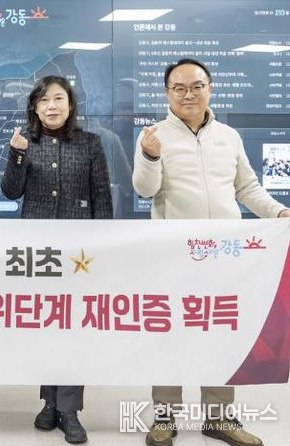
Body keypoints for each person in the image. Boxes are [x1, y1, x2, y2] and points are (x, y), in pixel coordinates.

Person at [133, 58, 290, 446]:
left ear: (210, 88)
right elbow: (145, 190)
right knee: (170, 334)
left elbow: (247, 187)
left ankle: (218, 418)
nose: (188, 94)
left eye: (196, 86)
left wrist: (279, 212)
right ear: (167, 93)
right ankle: (165, 416)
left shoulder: (228, 136)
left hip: (224, 254)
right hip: (174, 254)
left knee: (221, 333)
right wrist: (150, 156)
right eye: (179, 88)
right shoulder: (153, 136)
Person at [1, 75, 113, 444]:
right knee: (46, 327)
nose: (52, 106)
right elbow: (10, 191)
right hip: (38, 254)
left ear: (70, 105)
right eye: (45, 100)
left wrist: (104, 248)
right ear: (34, 107)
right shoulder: (25, 142)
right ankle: (49, 402)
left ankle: (69, 409)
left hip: (79, 255)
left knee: (74, 330)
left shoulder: (90, 143)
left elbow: (102, 198)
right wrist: (17, 155)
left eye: (59, 99)